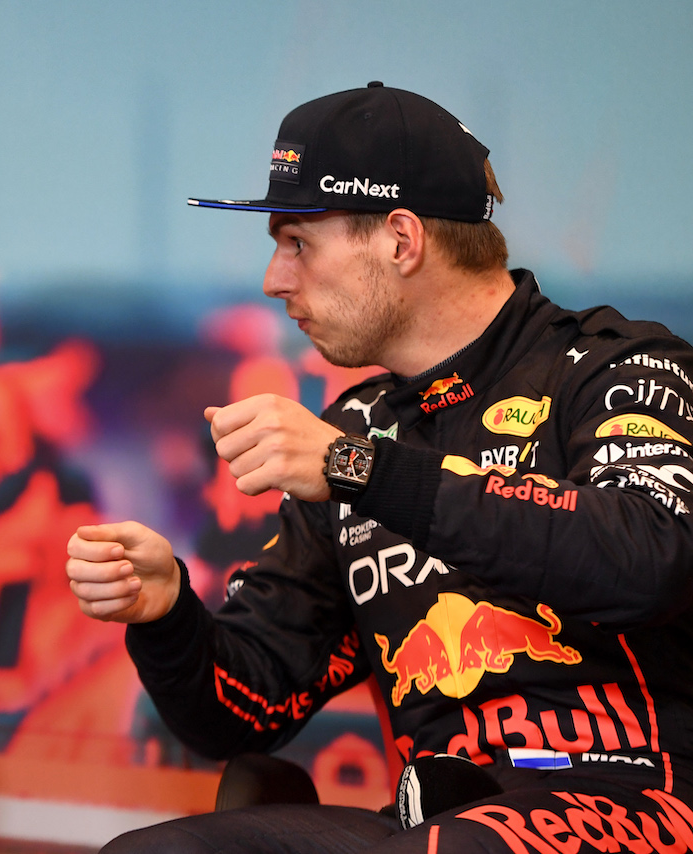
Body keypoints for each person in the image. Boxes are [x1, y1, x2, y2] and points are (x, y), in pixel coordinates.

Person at [66, 82, 693, 852]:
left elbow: (650, 556)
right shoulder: (356, 429)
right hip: (435, 813)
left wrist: (359, 469)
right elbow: (244, 709)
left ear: (401, 240)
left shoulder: (617, 370)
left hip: (642, 796)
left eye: (297, 242)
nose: (274, 280)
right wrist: (166, 618)